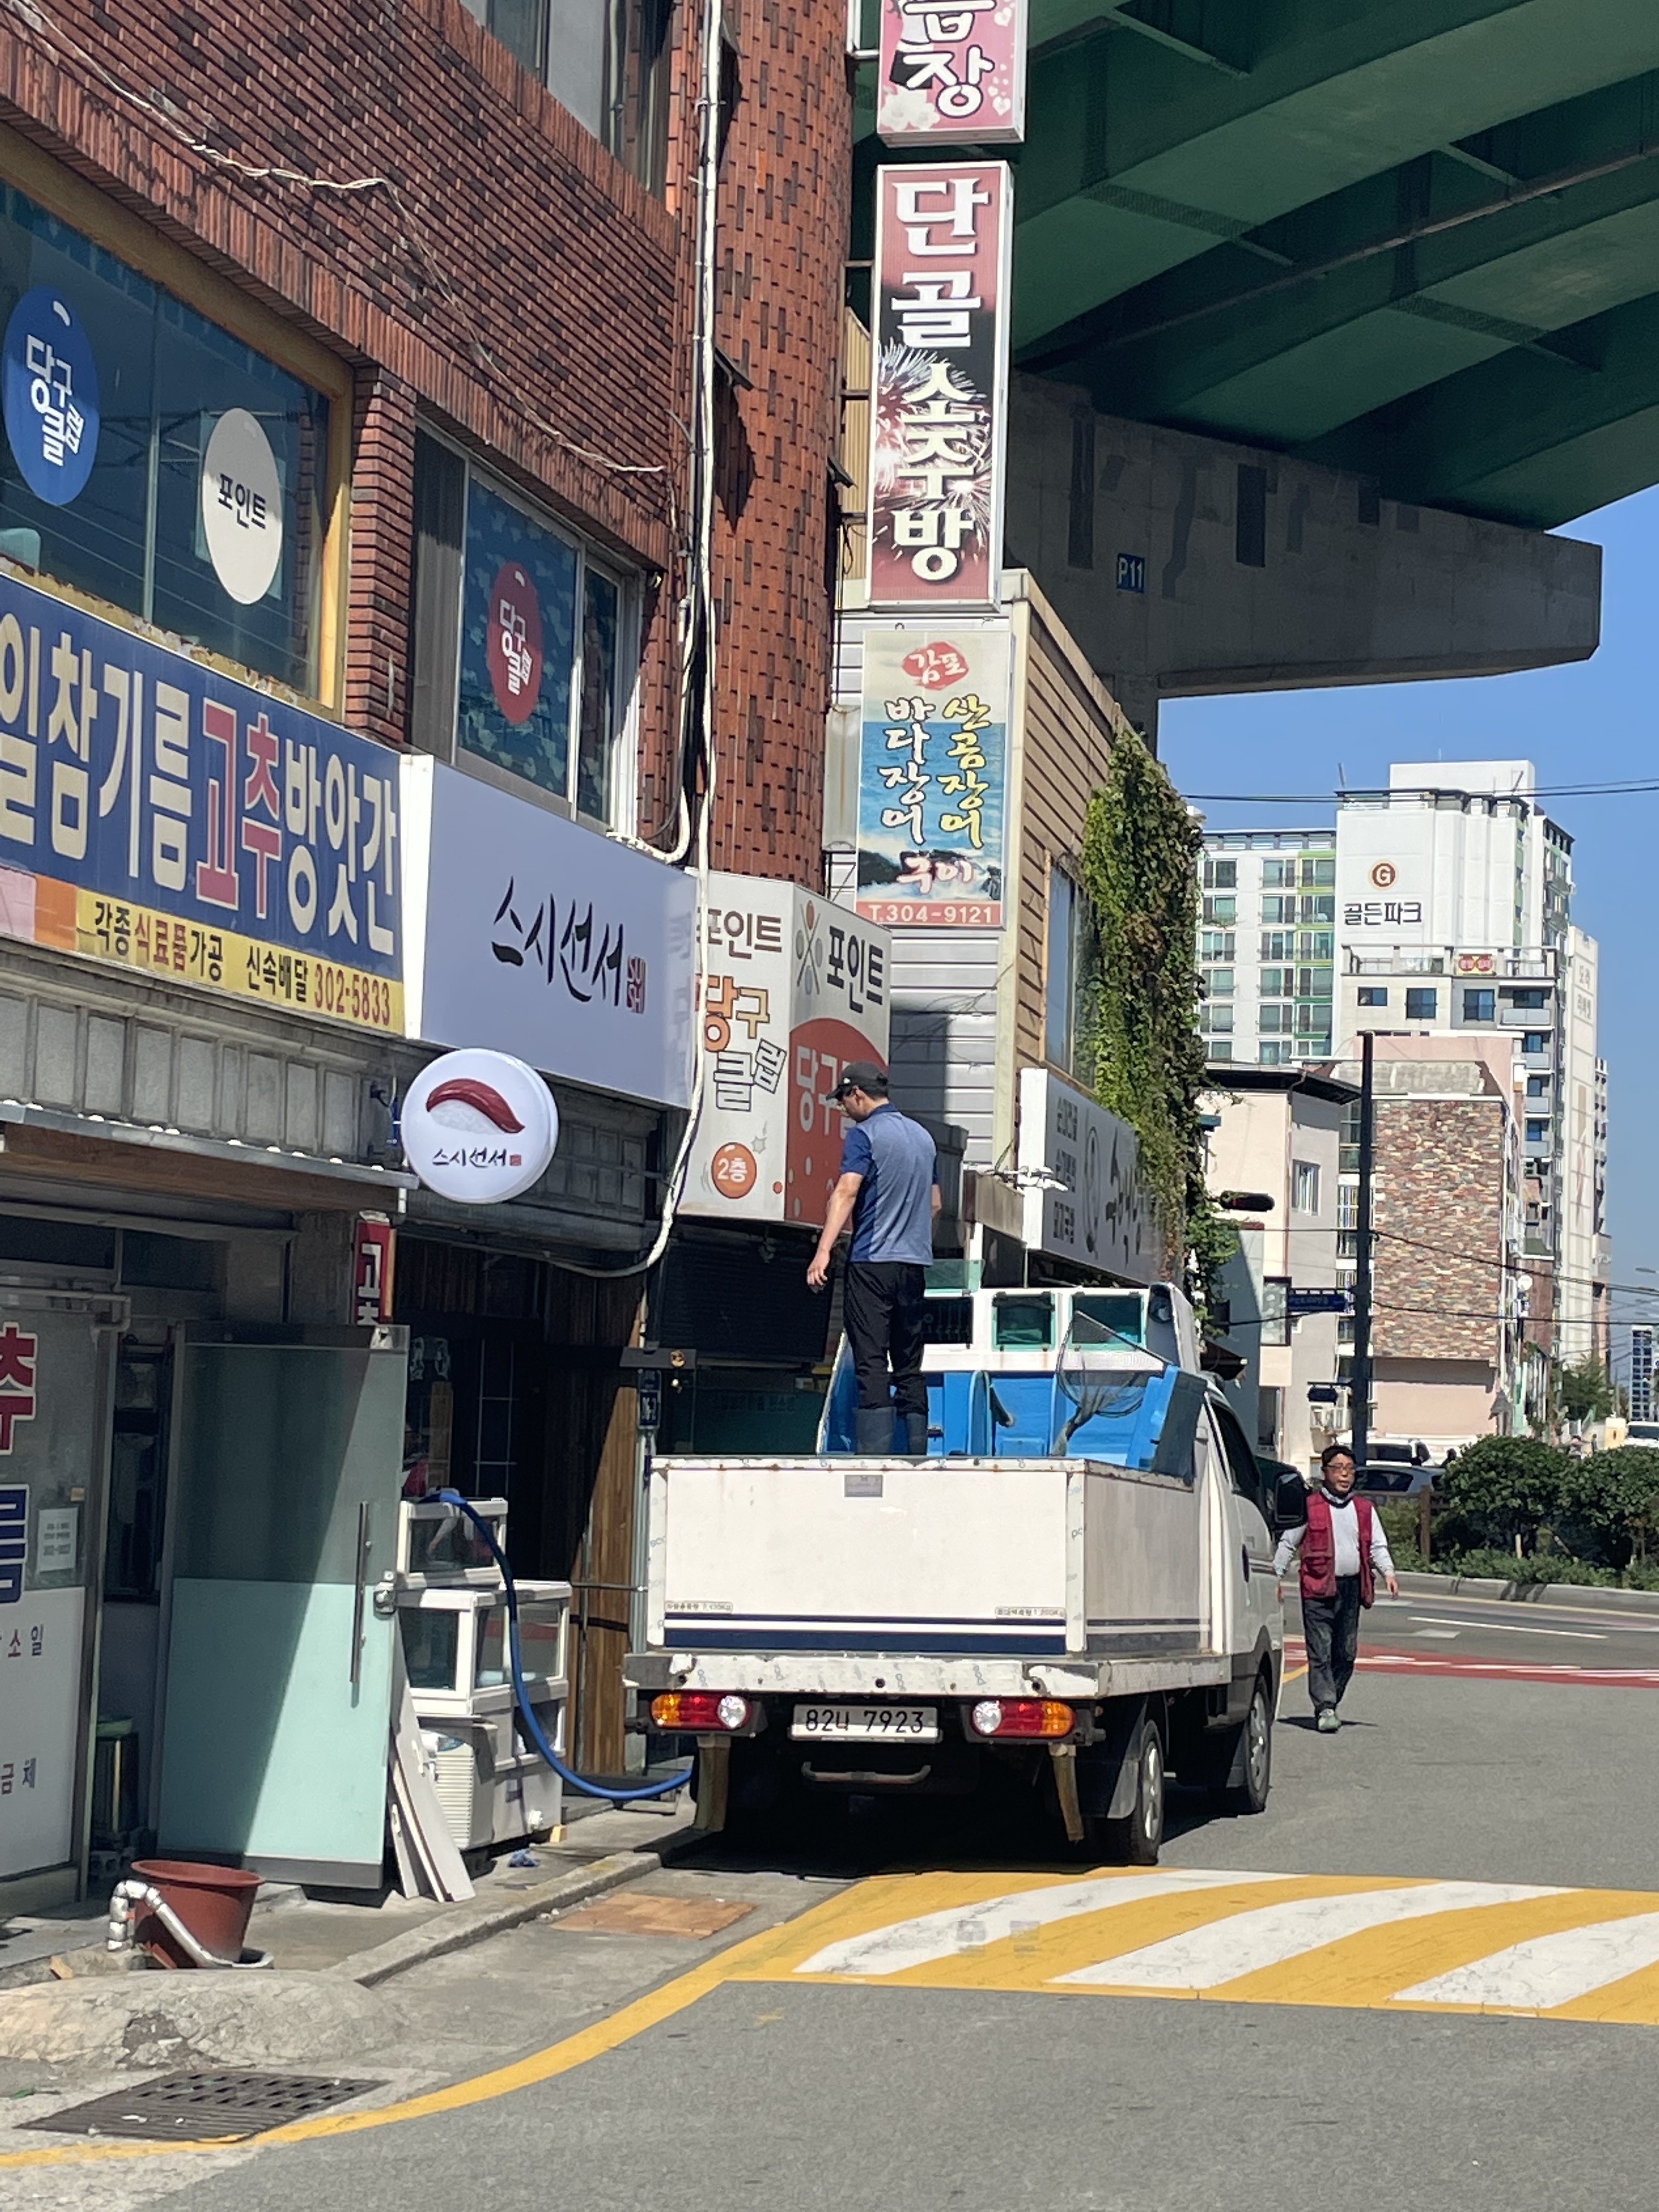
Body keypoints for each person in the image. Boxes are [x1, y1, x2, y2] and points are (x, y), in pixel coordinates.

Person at [806, 1062, 941, 1455]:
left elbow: (847, 1191)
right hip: (914, 1264)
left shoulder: (865, 1135)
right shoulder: (923, 1138)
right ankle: (916, 1453)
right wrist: (913, 1239)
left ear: (857, 1094)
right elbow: (936, 1204)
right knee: (909, 1364)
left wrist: (823, 1250)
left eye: (843, 1100)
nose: (844, 1109)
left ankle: (874, 1459)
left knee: (871, 1359)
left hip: (872, 1260)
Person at [1273, 1442, 1399, 1732]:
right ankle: (1325, 1706)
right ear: (1324, 1472)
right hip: (1317, 1588)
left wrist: (1388, 1572)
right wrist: (1275, 1577)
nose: (1344, 1475)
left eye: (1350, 1469)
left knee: (1346, 1653)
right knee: (1320, 1650)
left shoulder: (1364, 1509)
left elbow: (1377, 1545)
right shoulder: (1309, 1507)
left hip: (1352, 1588)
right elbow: (1288, 1544)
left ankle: (1331, 1700)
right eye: (1338, 1468)